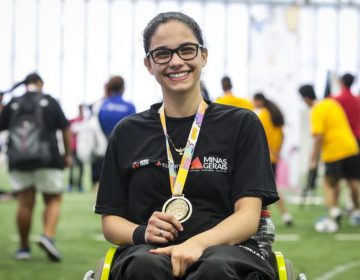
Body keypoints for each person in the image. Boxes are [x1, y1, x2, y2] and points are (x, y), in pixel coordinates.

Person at [95, 12, 279, 280]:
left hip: (229, 250)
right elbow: (111, 221)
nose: (176, 61)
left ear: (203, 55)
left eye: (187, 50)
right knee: (145, 266)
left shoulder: (242, 124)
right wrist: (141, 232)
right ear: (149, 64)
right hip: (150, 251)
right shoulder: (127, 132)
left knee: (215, 269)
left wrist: (198, 243)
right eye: (162, 54)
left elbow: (248, 217)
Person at [0, 73, 71, 261]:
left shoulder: (14, 102)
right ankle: (47, 236)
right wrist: (68, 155)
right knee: (53, 199)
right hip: (48, 160)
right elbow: (65, 128)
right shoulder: (50, 101)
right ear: (40, 84)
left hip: (19, 160)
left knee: (25, 203)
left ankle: (23, 248)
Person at [298, 85, 360, 231]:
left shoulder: (316, 110)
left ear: (306, 98)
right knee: (353, 181)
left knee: (329, 182)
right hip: (350, 146)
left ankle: (334, 211)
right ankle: (357, 212)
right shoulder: (332, 103)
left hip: (333, 151)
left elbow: (318, 136)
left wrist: (313, 158)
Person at [253, 93, 294, 226]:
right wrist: (277, 152)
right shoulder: (276, 113)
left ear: (259, 100)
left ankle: (275, 217)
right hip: (274, 157)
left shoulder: (264, 114)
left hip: (265, 156)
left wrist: (271, 151)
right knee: (271, 188)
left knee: (266, 189)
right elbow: (282, 135)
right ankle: (283, 215)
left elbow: (262, 135)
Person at [98, 76, 136, 140]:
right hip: (123, 143)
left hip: (103, 144)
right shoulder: (130, 107)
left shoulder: (101, 105)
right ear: (123, 88)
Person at [331, 73, 360, 146]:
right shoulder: (358, 100)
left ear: (341, 82)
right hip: (357, 137)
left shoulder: (334, 100)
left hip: (342, 139)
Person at [68, 104, 85, 192]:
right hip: (73, 147)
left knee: (81, 167)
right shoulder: (73, 121)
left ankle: (80, 186)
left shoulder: (86, 121)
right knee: (71, 167)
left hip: (82, 149)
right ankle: (70, 185)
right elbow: (68, 129)